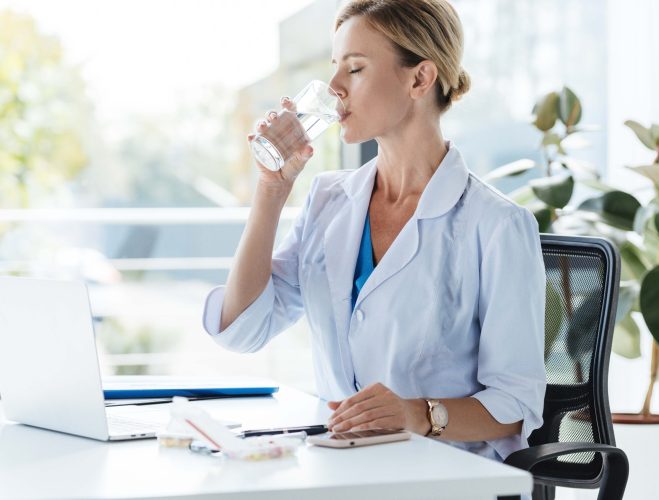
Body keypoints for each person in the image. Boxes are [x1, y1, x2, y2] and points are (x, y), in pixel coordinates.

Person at [202, 0, 546, 462]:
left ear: (419, 79)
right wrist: (271, 190)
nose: (334, 88)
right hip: (343, 468)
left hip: (447, 477)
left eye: (356, 69)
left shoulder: (497, 225)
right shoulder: (328, 201)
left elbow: (516, 404)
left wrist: (419, 414)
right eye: (334, 68)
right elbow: (241, 330)